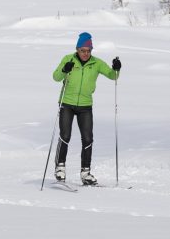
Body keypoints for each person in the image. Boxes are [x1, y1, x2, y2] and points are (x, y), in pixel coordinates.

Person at [51, 32, 121, 186]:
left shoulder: (96, 63)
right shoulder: (68, 59)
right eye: (82, 50)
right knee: (65, 135)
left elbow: (112, 76)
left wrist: (116, 69)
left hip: (85, 105)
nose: (85, 54)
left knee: (88, 138)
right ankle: (60, 168)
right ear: (77, 49)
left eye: (88, 51)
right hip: (67, 103)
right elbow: (56, 77)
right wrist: (64, 69)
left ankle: (85, 173)